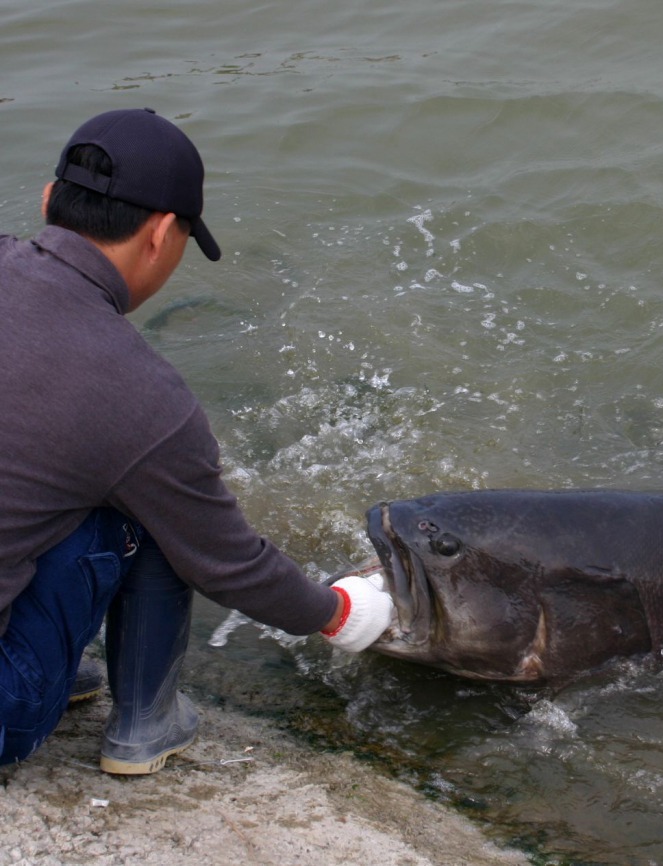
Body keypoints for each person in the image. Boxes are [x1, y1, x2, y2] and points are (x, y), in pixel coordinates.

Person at [0, 108, 395, 775]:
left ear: (48, 201)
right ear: (159, 235)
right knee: (147, 507)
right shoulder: (142, 398)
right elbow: (228, 564)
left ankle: (45, 651)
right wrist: (342, 612)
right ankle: (144, 723)